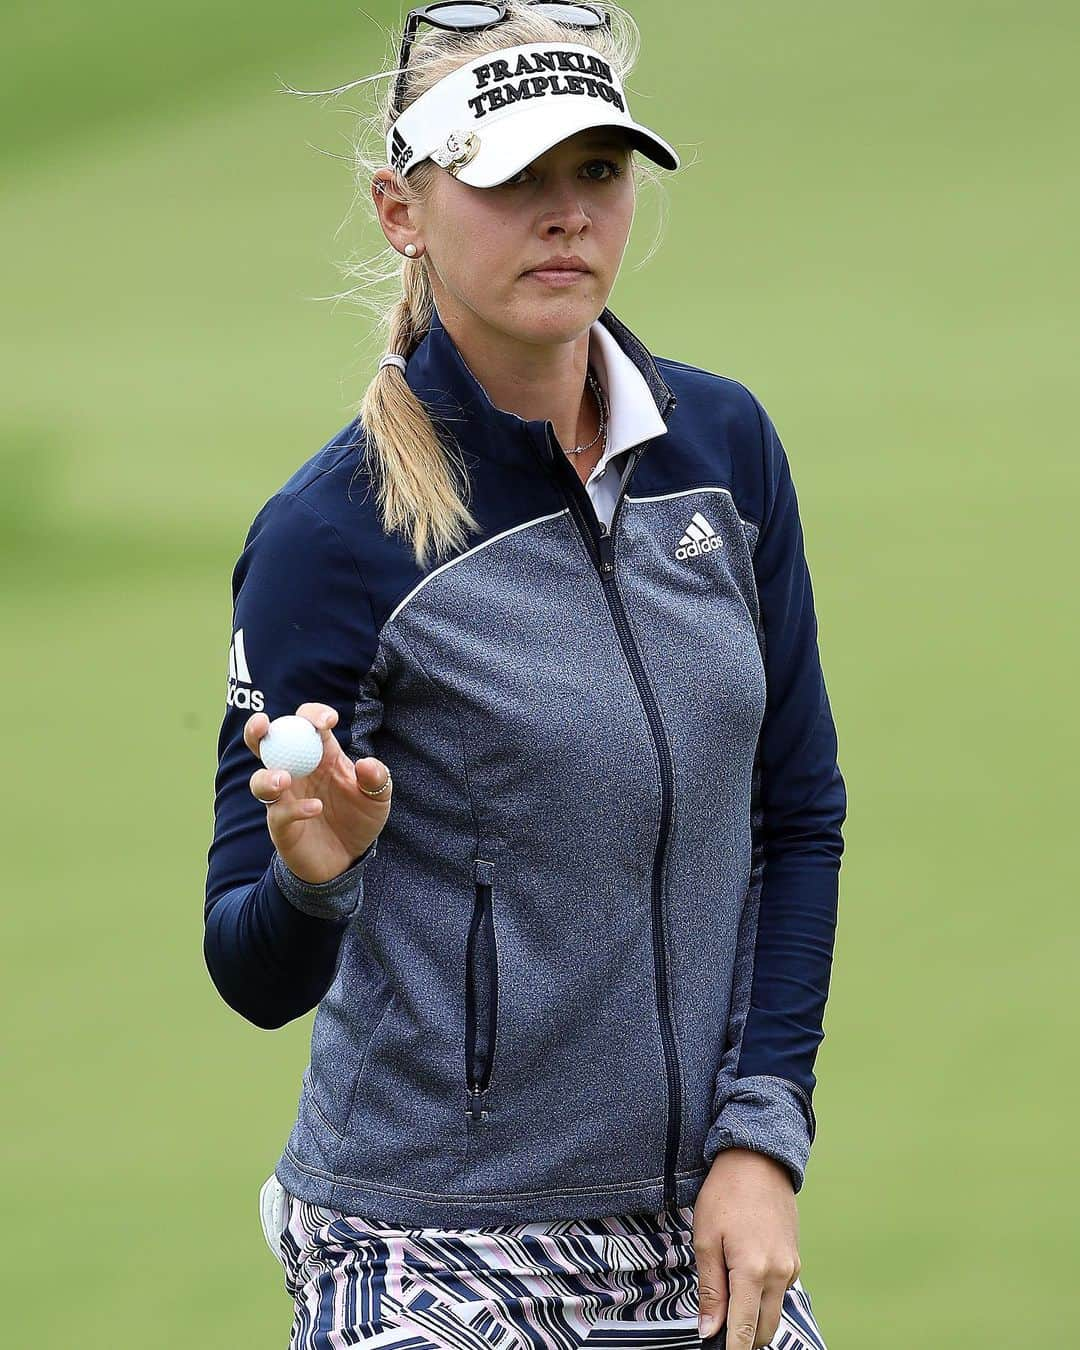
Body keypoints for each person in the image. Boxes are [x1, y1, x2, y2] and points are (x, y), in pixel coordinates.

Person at [203, 4, 846, 1348]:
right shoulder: (332, 536)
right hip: (426, 1241)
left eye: (598, 174)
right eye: (511, 179)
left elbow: (799, 817)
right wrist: (318, 880)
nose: (566, 216)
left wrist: (764, 1135)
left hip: (696, 1234)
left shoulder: (722, 449)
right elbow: (249, 966)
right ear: (404, 209)